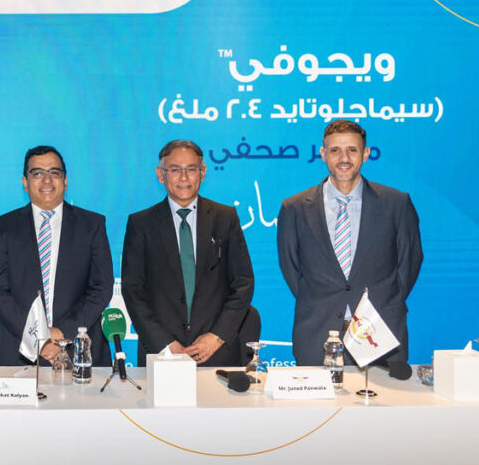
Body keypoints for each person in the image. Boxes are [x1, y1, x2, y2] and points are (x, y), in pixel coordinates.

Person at [278, 120, 422, 365]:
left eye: (352, 150)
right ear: (323, 154)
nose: (344, 158)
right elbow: (291, 268)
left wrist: (383, 300)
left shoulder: (396, 204)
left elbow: (409, 263)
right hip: (317, 333)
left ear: (365, 154)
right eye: (335, 150)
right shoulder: (294, 208)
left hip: (380, 334)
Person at [121, 140, 254, 367]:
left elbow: (243, 284)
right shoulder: (141, 224)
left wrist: (216, 337)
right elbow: (133, 290)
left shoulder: (225, 218)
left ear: (202, 173)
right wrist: (165, 344)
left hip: (215, 352)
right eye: (175, 170)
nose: (184, 178)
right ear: (160, 174)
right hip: (162, 354)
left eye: (191, 169)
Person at [0, 145, 114, 366]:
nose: (47, 180)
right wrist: (38, 336)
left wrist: (62, 333)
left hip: (79, 349)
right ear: (25, 182)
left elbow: (101, 288)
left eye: (54, 172)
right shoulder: (4, 227)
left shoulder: (92, 225)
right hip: (19, 351)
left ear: (65, 181)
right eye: (37, 173)